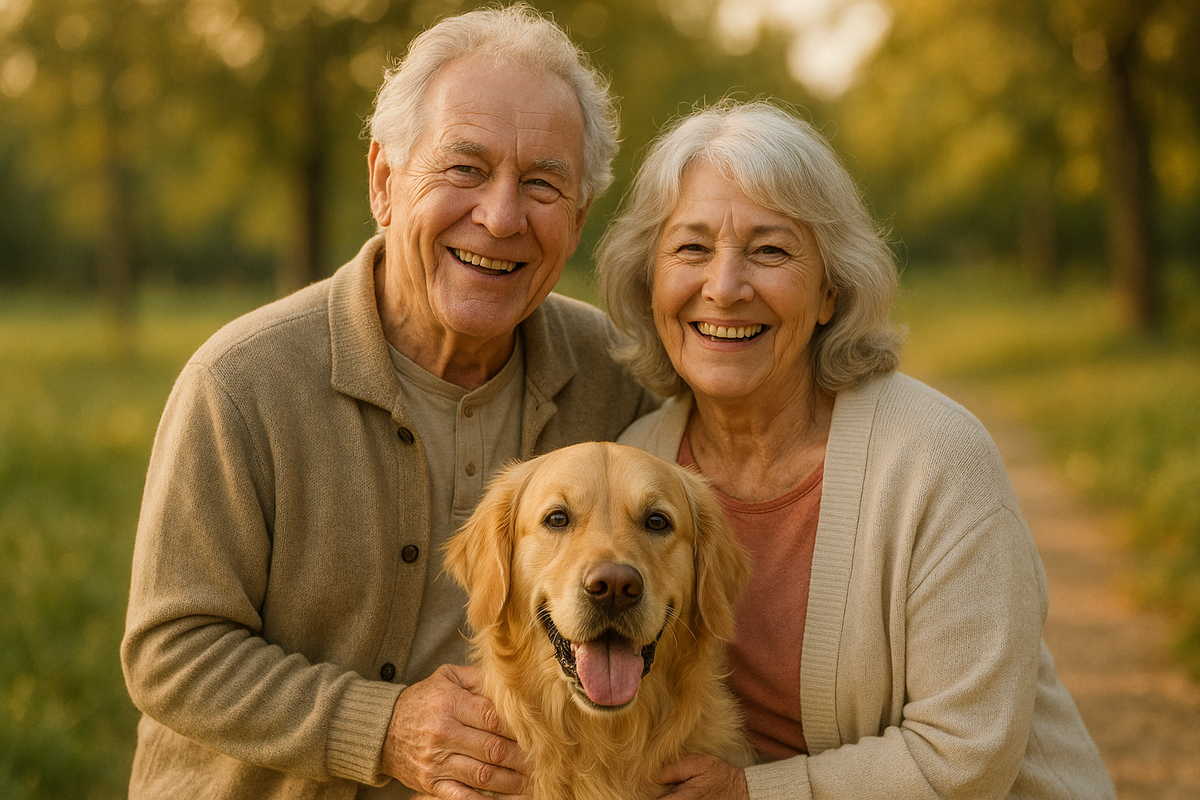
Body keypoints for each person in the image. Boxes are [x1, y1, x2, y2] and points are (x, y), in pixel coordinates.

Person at [120, 6, 657, 798]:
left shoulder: (618, 377)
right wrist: (385, 728)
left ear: (576, 221)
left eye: (543, 183)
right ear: (384, 183)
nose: (502, 216)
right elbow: (172, 650)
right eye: (464, 169)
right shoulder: (240, 382)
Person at [597, 100, 1116, 799]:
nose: (724, 287)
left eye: (770, 250)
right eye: (691, 249)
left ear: (829, 293)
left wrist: (756, 794)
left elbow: (967, 756)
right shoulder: (637, 464)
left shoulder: (935, 459)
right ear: (649, 281)